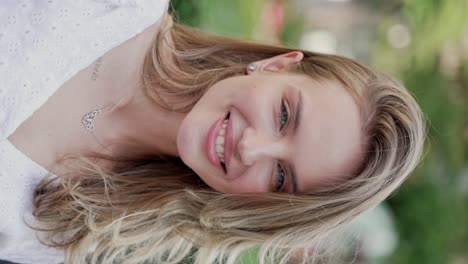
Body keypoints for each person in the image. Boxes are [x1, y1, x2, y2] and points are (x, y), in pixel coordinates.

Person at [0, 0, 426, 263]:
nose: (251, 146)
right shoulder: (122, 8)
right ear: (277, 65)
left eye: (280, 177)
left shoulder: (63, 233)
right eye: (283, 114)